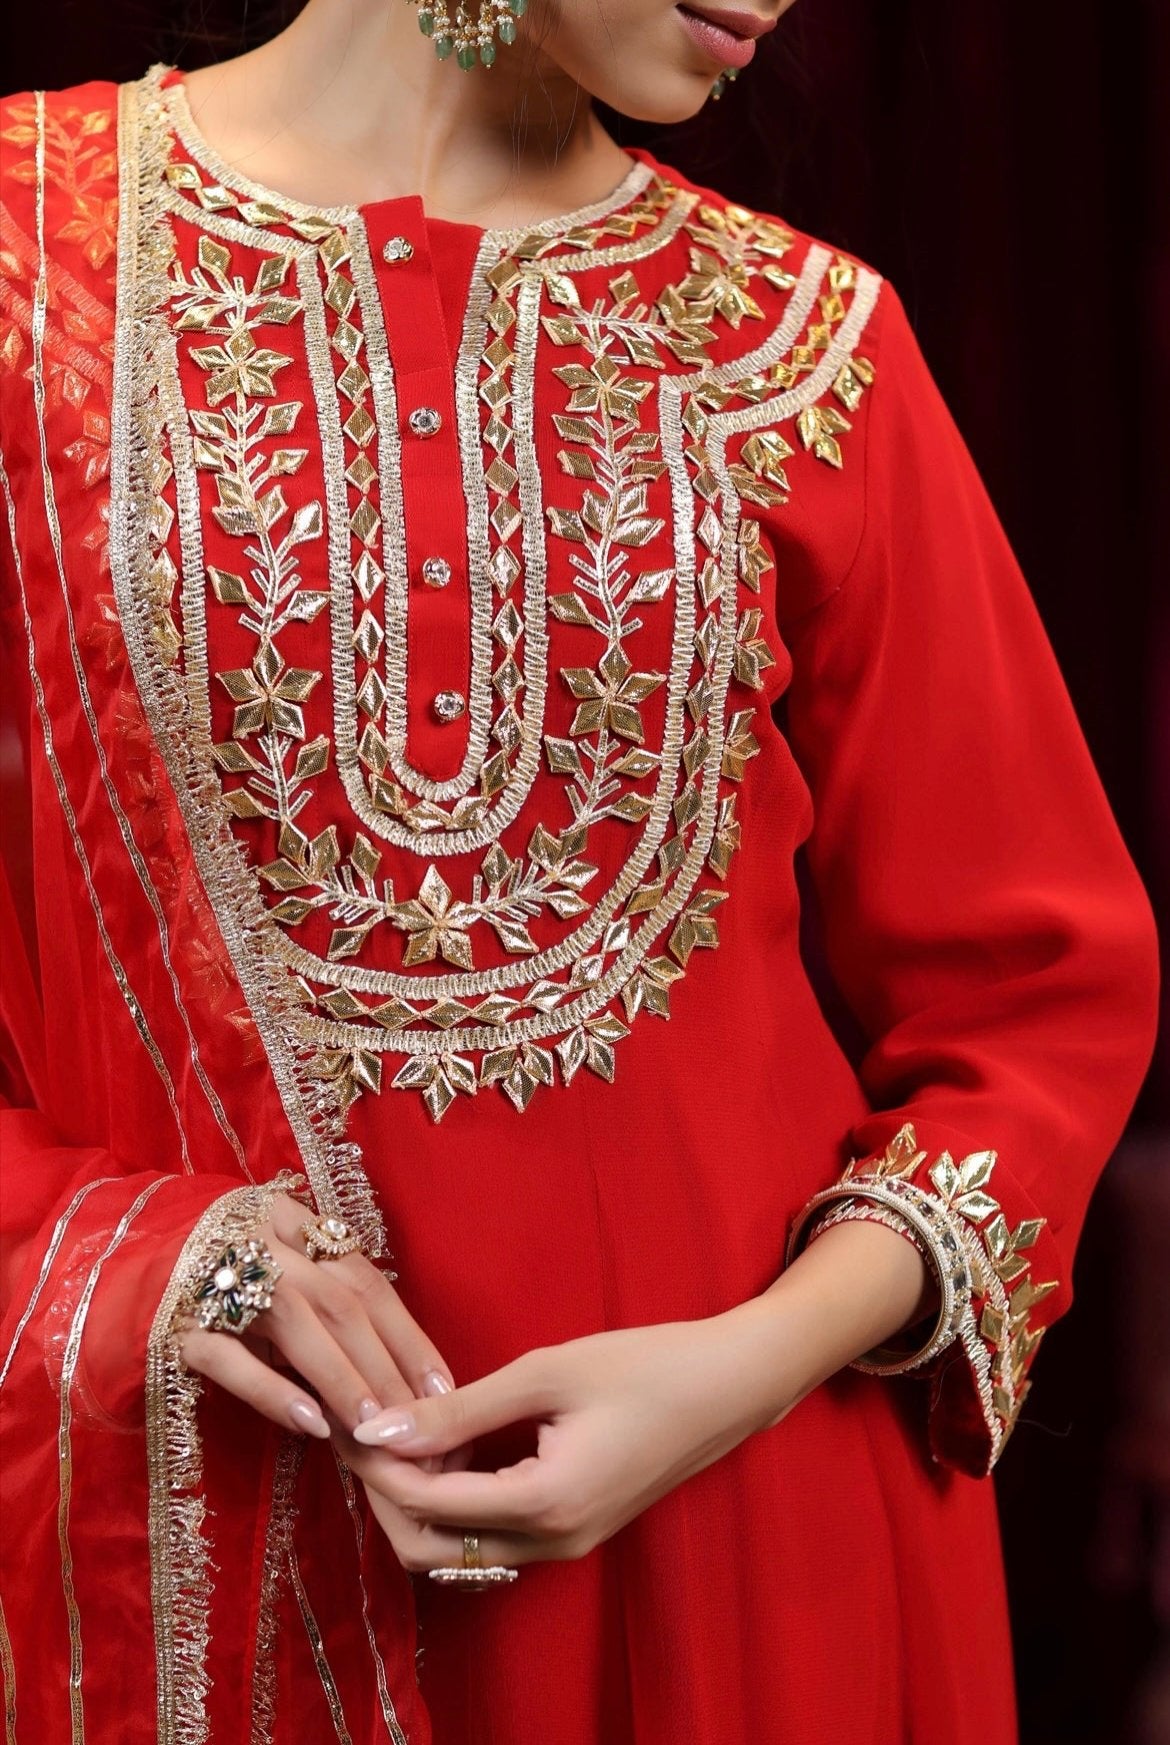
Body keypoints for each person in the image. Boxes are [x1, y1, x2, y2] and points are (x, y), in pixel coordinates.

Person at [0, 1, 1159, 1739]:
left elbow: (1039, 1009)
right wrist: (141, 1259)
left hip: (755, 1534)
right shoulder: (26, 251)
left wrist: (734, 1373)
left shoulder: (810, 339)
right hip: (225, 1507)